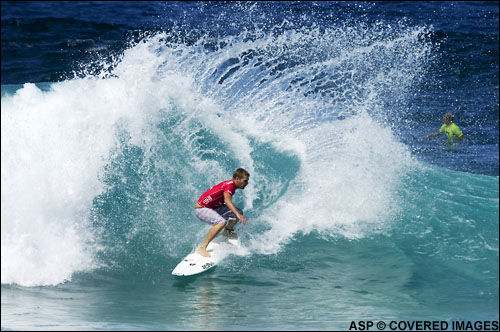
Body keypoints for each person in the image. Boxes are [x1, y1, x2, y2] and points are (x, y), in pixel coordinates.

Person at [194, 168, 249, 257]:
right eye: (245, 181)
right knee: (221, 222)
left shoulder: (231, 184)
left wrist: (237, 214)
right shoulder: (230, 186)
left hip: (213, 207)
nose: (246, 183)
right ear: (237, 179)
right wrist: (238, 215)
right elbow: (227, 201)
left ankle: (227, 231)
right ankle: (202, 248)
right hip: (201, 209)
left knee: (239, 212)